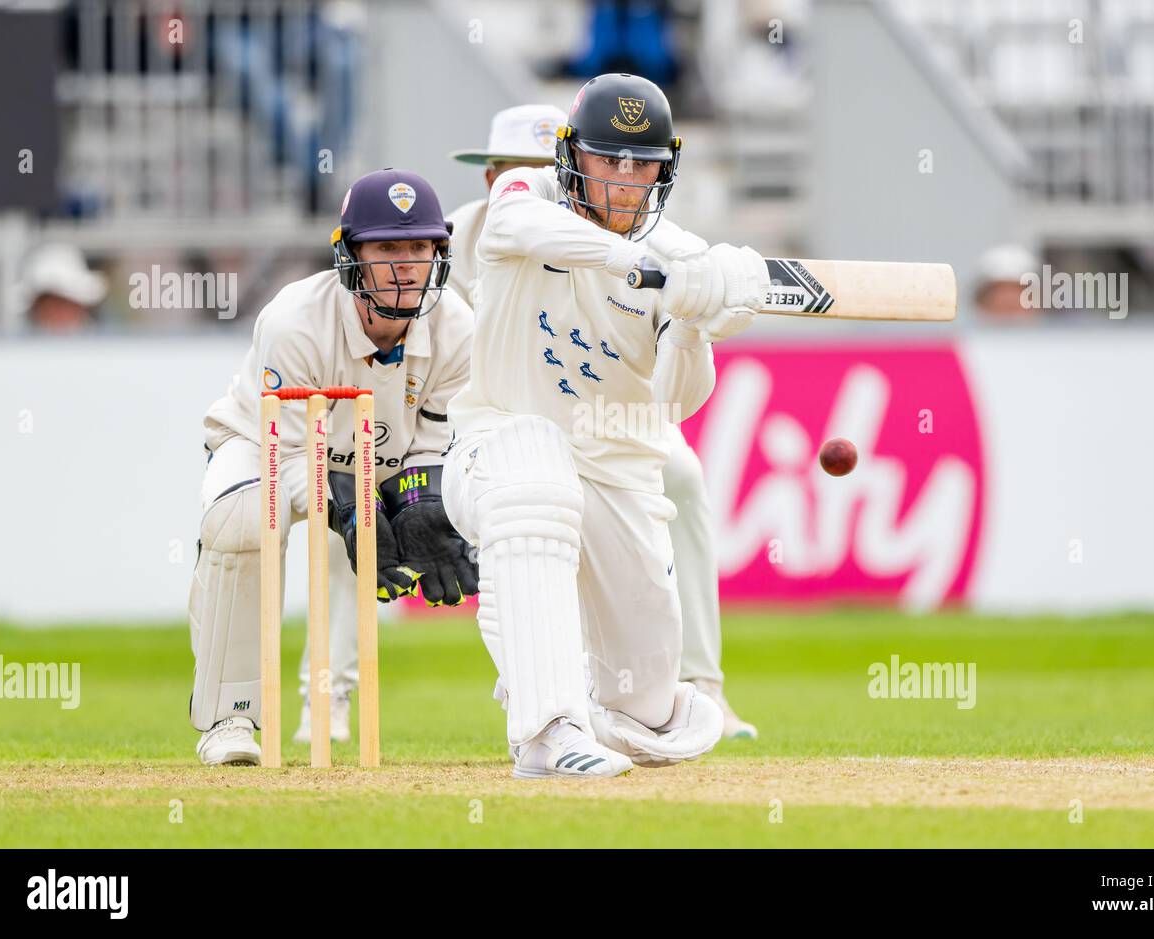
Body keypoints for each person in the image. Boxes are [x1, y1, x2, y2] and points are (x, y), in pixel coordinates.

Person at [442, 74, 768, 779]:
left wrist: (693, 321)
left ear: (665, 167)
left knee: (645, 702)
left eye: (641, 163)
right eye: (607, 159)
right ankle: (546, 730)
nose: (624, 180)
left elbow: (676, 404)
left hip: (619, 471)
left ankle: (565, 681)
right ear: (572, 157)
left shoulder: (682, 256)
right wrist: (652, 267)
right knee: (537, 474)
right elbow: (520, 228)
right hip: (497, 445)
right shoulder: (524, 199)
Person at [189, 168, 478, 766]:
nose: (406, 264)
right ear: (350, 256)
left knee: (378, 535)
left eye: (420, 247)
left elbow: (433, 441)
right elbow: (288, 452)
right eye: (387, 248)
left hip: (375, 459)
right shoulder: (295, 319)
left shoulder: (457, 327)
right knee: (244, 520)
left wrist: (423, 502)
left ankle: (333, 701)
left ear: (440, 254)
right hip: (261, 445)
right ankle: (230, 719)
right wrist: (345, 506)